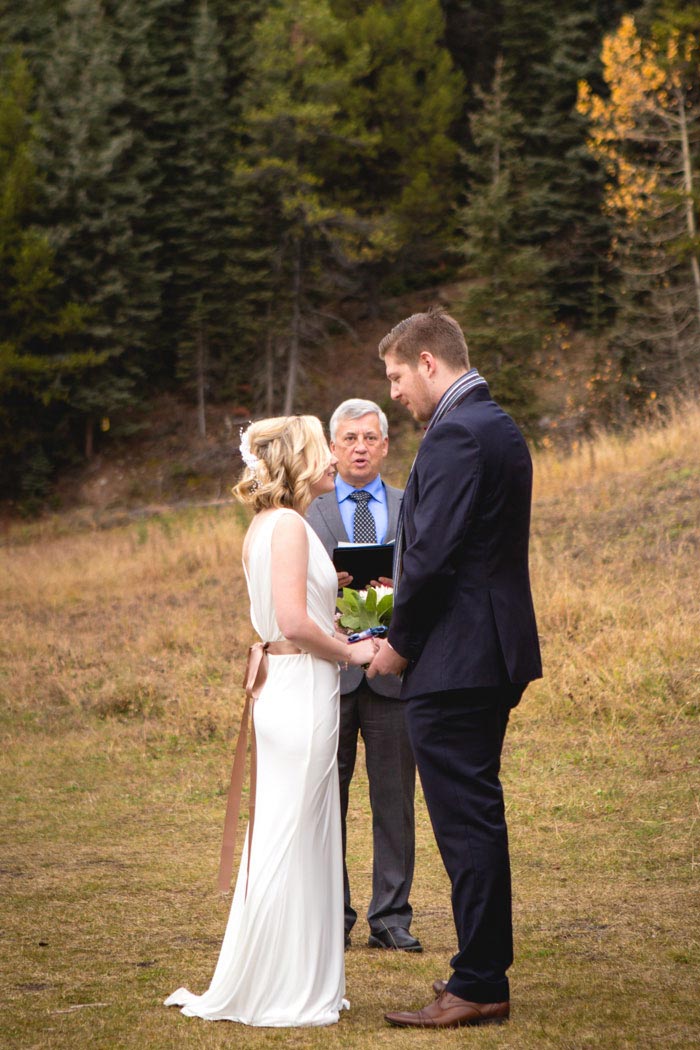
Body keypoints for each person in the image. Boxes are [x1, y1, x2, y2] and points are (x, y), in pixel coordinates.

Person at [165, 415, 377, 1028]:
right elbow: (296, 624)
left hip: (282, 688)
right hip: (300, 688)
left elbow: (290, 605)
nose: (335, 460)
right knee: (293, 833)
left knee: (295, 829)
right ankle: (280, 984)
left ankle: (288, 972)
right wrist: (355, 651)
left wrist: (327, 585)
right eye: (323, 450)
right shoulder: (289, 524)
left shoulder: (267, 524)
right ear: (301, 459)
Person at [367, 309, 542, 1029]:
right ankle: (479, 972)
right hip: (483, 648)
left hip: (458, 656)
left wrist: (397, 645)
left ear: (430, 362)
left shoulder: (459, 433)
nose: (394, 395)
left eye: (397, 376)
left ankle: (477, 983)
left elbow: (433, 558)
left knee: (466, 822)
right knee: (477, 816)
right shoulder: (493, 423)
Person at [306, 399, 420, 953]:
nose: (359, 447)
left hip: (394, 669)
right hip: (328, 672)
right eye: (348, 438)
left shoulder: (410, 504)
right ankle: (332, 914)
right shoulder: (311, 511)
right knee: (330, 800)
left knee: (395, 799)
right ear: (332, 446)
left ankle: (391, 918)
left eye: (369, 437)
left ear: (385, 444)